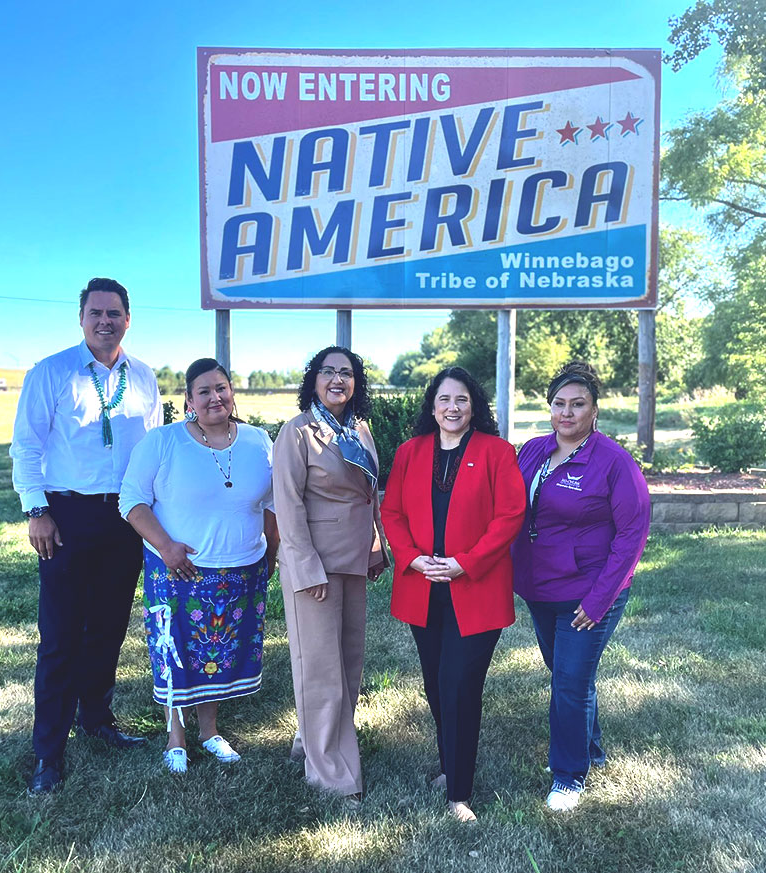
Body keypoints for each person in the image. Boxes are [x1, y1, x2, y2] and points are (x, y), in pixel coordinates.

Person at [10, 277, 161, 794]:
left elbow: (154, 451)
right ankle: (48, 754)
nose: (105, 321)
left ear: (128, 318)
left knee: (109, 628)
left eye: (114, 313)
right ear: (81, 318)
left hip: (125, 518)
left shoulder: (144, 377)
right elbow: (26, 447)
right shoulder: (50, 372)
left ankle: (96, 718)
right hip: (66, 517)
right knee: (59, 639)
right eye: (95, 312)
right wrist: (36, 511)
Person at [119, 358, 278, 773]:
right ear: (188, 399)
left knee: (218, 653)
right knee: (175, 650)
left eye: (221, 388)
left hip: (242, 570)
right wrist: (167, 546)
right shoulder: (163, 442)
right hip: (176, 571)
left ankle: (209, 732)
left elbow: (274, 504)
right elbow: (131, 501)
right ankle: (176, 738)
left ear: (232, 392)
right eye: (204, 391)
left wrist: (272, 554)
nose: (215, 397)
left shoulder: (259, 441)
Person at [382, 367, 526, 822]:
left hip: (475, 586)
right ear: (432, 405)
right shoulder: (410, 452)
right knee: (435, 685)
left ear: (474, 405)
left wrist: (467, 561)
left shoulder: (497, 452)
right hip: (423, 585)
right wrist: (411, 557)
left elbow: (510, 515)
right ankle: (451, 765)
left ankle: (458, 794)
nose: (452, 408)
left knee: (459, 685)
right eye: (444, 399)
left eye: (461, 400)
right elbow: (393, 511)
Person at [512, 361, 650, 812]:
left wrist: (598, 600)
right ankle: (591, 750)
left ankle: (569, 775)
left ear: (594, 411)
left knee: (569, 683)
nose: (566, 413)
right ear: (549, 408)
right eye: (559, 404)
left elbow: (632, 535)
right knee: (569, 676)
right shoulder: (531, 450)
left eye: (577, 405)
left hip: (590, 593)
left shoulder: (613, 462)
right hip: (541, 588)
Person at [272, 346, 387, 801]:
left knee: (348, 663)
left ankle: (312, 742)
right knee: (320, 669)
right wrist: (305, 569)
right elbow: (288, 504)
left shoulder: (360, 431)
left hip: (354, 560)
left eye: (347, 373)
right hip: (314, 565)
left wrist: (376, 547)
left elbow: (368, 496)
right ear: (313, 380)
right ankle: (332, 774)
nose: (338, 379)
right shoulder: (296, 433)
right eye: (329, 372)